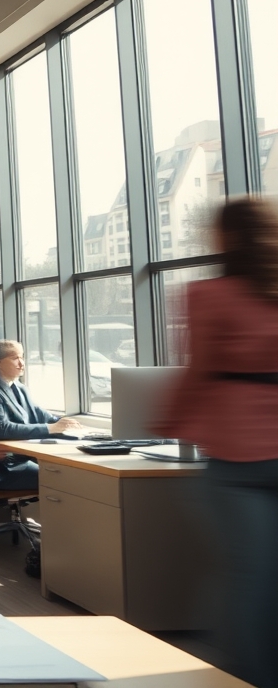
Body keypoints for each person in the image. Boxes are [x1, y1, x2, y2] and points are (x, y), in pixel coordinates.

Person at [156, 198, 278, 688]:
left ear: (226, 237)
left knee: (246, 577)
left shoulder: (208, 294)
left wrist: (166, 423)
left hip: (237, 458)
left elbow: (199, 369)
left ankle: (246, 678)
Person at [0, 340, 82, 490]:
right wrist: (51, 428)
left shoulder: (19, 387)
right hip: (2, 467)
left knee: (70, 473)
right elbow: (2, 429)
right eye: (15, 358)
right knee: (66, 478)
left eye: (22, 357)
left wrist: (63, 423)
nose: (22, 363)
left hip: (20, 458)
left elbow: (40, 414)